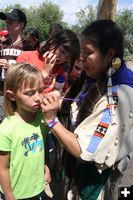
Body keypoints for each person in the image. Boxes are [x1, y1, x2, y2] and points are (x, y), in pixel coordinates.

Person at [41, 19, 133, 200]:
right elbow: (78, 105)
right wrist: (59, 103)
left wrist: (51, 120)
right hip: (74, 172)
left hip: (93, 180)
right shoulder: (94, 77)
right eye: (81, 51)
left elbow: (84, 151)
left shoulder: (117, 97)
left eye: (88, 52)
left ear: (110, 54)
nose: (81, 58)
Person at [0, 62, 52, 200]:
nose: (38, 98)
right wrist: (9, 195)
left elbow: (40, 148)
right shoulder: (6, 129)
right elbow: (2, 168)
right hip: (17, 194)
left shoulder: (42, 118)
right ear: (11, 96)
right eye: (30, 93)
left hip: (38, 189)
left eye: (41, 90)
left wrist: (45, 167)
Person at [16, 28, 80, 94]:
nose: (62, 58)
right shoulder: (26, 57)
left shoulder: (60, 70)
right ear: (53, 42)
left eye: (67, 57)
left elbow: (62, 92)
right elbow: (17, 86)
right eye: (62, 52)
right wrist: (45, 72)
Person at [0, 8, 27, 122]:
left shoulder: (28, 46)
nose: (7, 24)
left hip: (19, 92)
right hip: (2, 91)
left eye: (10, 22)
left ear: (21, 25)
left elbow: (31, 71)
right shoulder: (2, 44)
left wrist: (11, 68)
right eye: (6, 22)